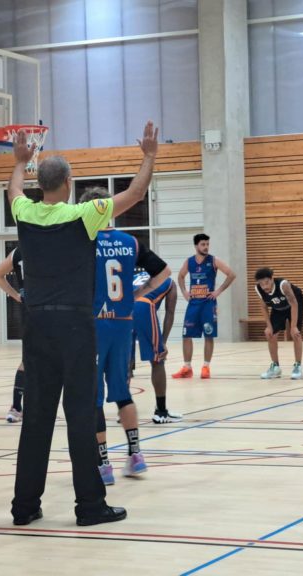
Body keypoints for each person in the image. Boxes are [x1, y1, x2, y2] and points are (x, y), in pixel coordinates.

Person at [7, 120, 158, 527]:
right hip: (74, 326)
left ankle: (24, 507)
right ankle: (90, 506)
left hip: (35, 325)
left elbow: (14, 191)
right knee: (80, 414)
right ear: (69, 183)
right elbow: (135, 193)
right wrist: (148, 156)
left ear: (42, 184)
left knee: (36, 418)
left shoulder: (25, 213)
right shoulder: (84, 215)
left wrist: (19, 162)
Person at [79, 188, 170, 486]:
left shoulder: (84, 241)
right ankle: (135, 454)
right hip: (122, 323)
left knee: (93, 398)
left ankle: (103, 463)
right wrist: (138, 293)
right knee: (122, 392)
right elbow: (164, 272)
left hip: (94, 325)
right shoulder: (131, 242)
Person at [172, 234, 236, 379]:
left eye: (207, 244)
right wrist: (184, 292)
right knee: (186, 335)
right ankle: (187, 368)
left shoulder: (213, 260)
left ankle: (206, 367)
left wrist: (218, 291)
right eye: (203, 244)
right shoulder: (189, 262)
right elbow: (180, 276)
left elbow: (231, 274)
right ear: (196, 246)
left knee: (209, 335)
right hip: (193, 304)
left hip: (208, 304)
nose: (206, 247)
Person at [132, 272, 183, 423]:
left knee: (125, 363)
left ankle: (124, 410)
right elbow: (170, 312)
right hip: (144, 306)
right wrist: (163, 342)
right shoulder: (169, 282)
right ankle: (161, 412)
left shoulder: (136, 276)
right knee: (158, 360)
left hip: (124, 307)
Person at [0, 246, 27, 423]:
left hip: (29, 308)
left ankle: (16, 407)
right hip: (47, 308)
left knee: (28, 360)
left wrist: (17, 296)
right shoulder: (49, 245)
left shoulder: (18, 251)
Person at [254, 267, 303, 380]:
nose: (265, 286)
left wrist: (293, 326)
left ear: (272, 279)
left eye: (267, 282)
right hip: (278, 308)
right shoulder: (258, 289)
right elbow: (263, 307)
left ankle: (298, 366)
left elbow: (294, 303)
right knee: (270, 334)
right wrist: (269, 326)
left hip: (295, 304)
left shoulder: (283, 285)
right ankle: (275, 367)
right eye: (261, 284)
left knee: (295, 334)